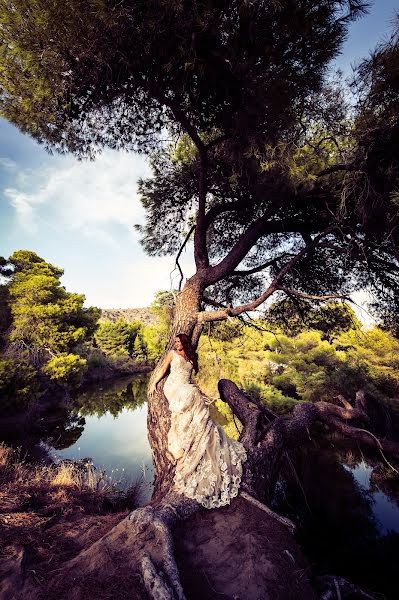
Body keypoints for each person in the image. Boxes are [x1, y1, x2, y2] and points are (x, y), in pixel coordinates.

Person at [148, 333, 248, 509]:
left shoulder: (191, 358)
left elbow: (189, 377)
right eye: (176, 341)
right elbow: (164, 369)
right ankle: (189, 437)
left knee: (195, 401)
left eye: (179, 341)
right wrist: (154, 384)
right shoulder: (172, 353)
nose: (176, 343)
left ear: (185, 343)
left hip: (185, 387)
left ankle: (198, 437)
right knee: (190, 397)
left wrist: (194, 387)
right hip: (173, 388)